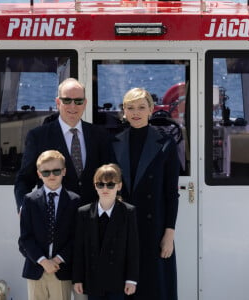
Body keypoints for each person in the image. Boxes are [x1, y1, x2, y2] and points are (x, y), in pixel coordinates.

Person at [111, 88, 180, 300]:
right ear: (123, 111)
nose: (136, 112)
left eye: (141, 107)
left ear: (151, 109)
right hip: (122, 227)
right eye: (130, 108)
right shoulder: (113, 143)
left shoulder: (166, 143)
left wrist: (169, 235)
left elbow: (171, 193)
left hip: (154, 229)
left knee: (155, 289)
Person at [14, 78, 111, 214]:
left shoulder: (100, 135)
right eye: (67, 100)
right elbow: (24, 179)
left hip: (93, 221)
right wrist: (23, 209)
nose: (73, 106)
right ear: (58, 102)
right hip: (54, 221)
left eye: (78, 101)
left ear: (85, 103)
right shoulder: (38, 136)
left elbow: (111, 176)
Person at [19, 150, 80, 300]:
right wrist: (43, 261)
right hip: (36, 268)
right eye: (45, 172)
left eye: (56, 171)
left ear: (64, 171)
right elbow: (25, 238)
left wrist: (57, 259)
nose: (51, 175)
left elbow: (76, 237)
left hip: (61, 269)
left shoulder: (74, 201)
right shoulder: (29, 200)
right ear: (39, 174)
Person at [73, 163, 139, 300]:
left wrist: (131, 279)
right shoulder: (84, 212)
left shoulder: (128, 212)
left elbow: (133, 248)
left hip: (117, 280)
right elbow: (79, 249)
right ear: (95, 186)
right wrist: (77, 278)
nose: (105, 189)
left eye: (110, 185)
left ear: (119, 186)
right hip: (93, 279)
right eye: (100, 184)